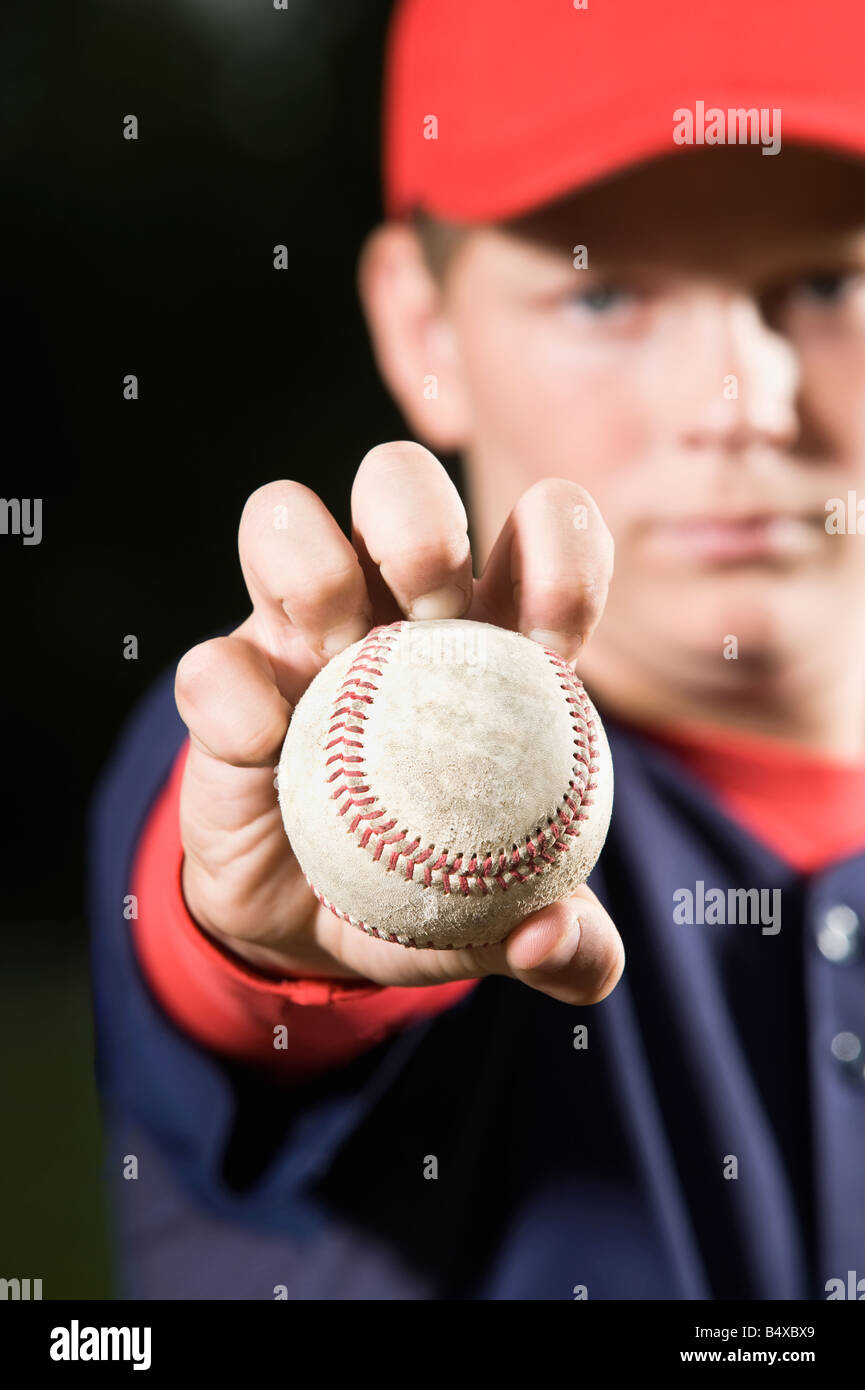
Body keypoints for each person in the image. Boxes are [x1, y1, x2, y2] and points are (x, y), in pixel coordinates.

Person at [89, 0, 865, 1299]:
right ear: (421, 327)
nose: (741, 404)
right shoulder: (290, 751)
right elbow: (224, 950)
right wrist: (271, 953)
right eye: (602, 291)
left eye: (829, 281)